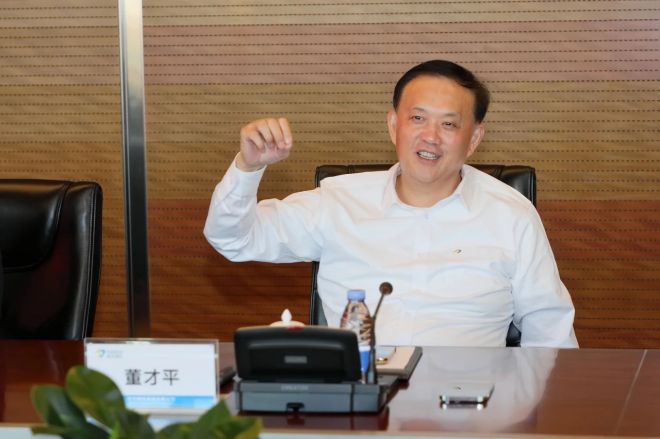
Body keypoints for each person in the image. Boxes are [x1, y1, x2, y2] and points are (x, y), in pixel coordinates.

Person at [204, 59, 578, 348]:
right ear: (394, 126)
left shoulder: (511, 215)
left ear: (475, 138)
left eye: (449, 124)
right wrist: (248, 168)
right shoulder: (338, 202)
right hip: (357, 404)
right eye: (417, 118)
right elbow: (233, 239)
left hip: (468, 407)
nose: (430, 137)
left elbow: (550, 333)